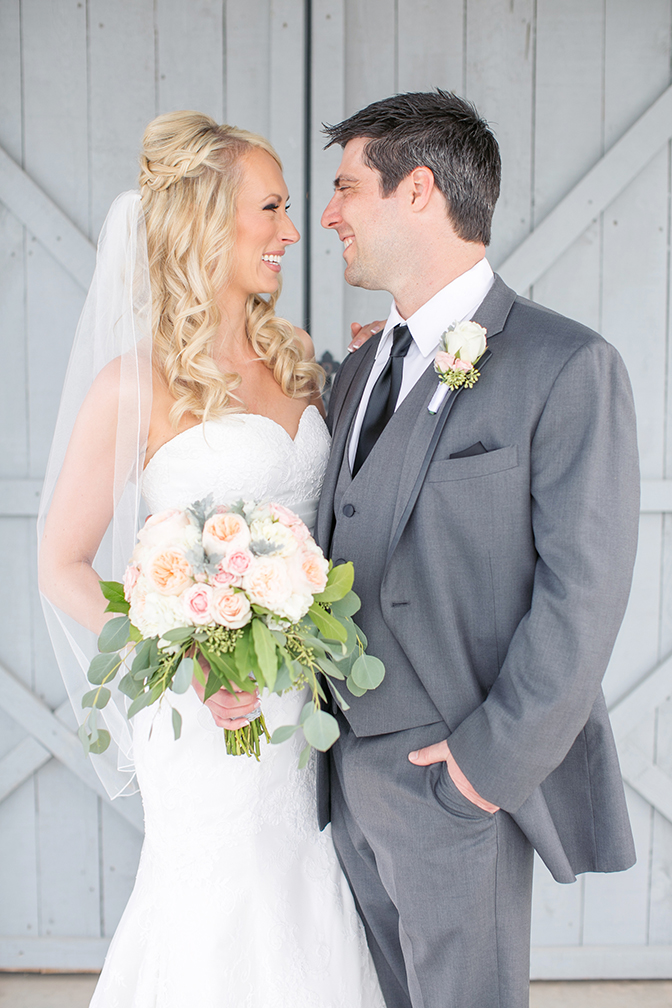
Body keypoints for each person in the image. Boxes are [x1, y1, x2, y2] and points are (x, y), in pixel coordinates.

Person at [38, 111, 385, 1008]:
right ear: (205, 220)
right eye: (271, 208)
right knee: (219, 912)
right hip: (204, 714)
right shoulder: (134, 383)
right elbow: (60, 562)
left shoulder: (297, 356)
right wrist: (186, 650)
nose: (293, 231)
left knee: (301, 897)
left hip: (299, 704)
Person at [315, 90, 639, 1008]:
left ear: (418, 190)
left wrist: (481, 772)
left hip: (454, 778)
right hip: (342, 773)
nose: (330, 214)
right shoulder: (363, 367)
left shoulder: (564, 365)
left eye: (347, 187)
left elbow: (585, 594)